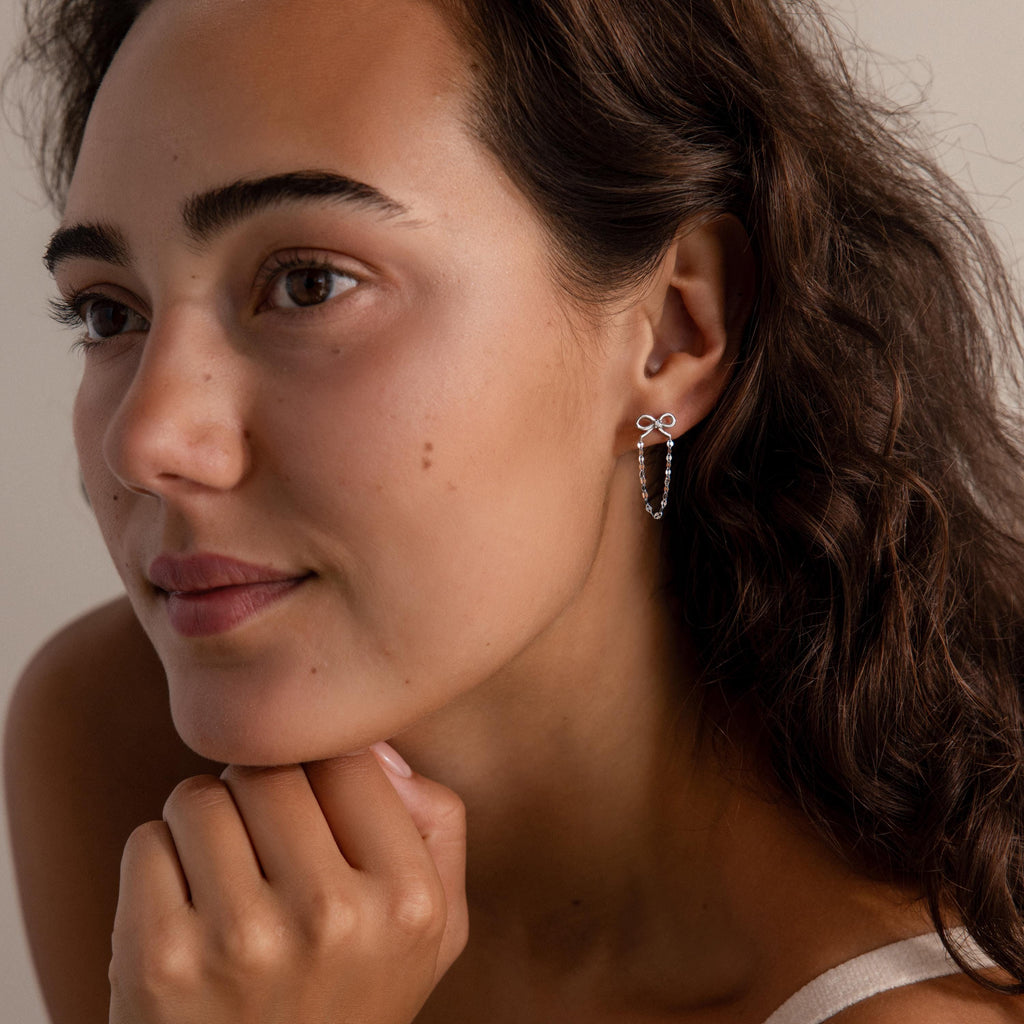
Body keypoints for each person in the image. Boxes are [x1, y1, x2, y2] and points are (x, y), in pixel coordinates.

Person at [5, 0, 1024, 1021]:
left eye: (309, 283)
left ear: (670, 330)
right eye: (109, 311)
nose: (144, 441)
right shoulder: (110, 744)